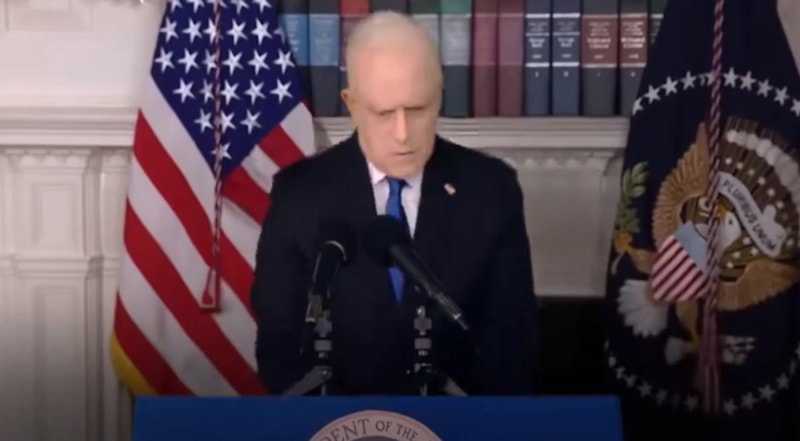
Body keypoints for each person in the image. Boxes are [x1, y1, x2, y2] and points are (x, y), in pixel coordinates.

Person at [250, 11, 539, 396]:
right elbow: (280, 347)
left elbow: (511, 345)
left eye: (417, 109)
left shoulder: (491, 190)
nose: (403, 134)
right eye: (384, 113)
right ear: (352, 104)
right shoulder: (299, 195)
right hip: (339, 422)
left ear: (439, 97)